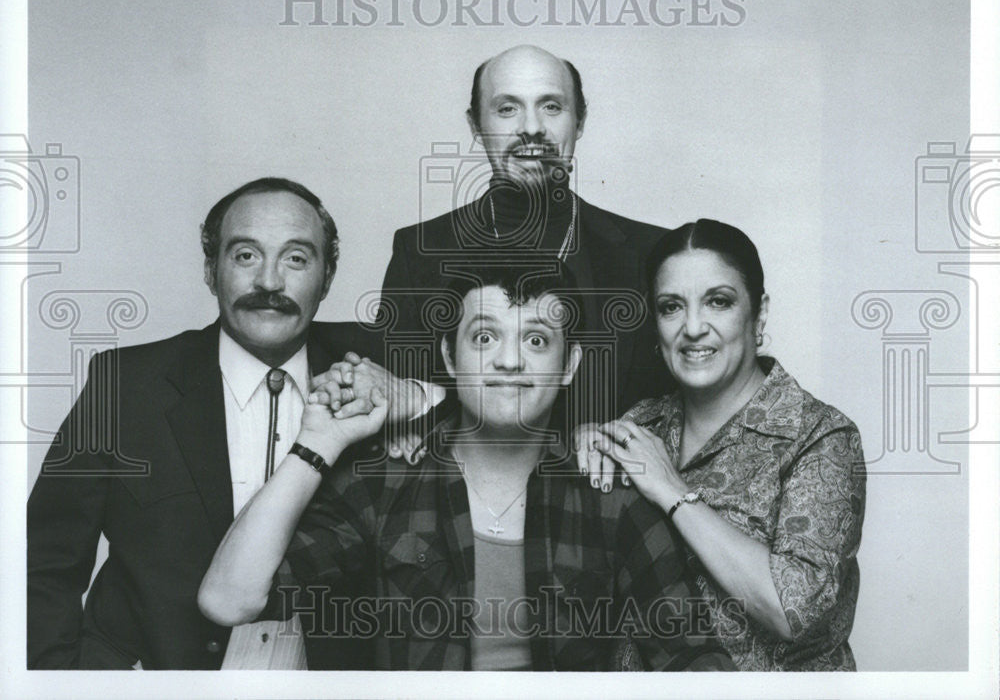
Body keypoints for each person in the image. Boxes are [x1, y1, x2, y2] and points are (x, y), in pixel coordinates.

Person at [198, 262, 735, 671]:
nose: (509, 360)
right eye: (485, 337)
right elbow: (229, 600)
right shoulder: (385, 481)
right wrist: (315, 446)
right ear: (451, 359)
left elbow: (693, 662)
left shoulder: (607, 491)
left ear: (569, 365)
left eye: (536, 339)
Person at [27, 178, 382, 669]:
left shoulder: (374, 369)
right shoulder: (125, 385)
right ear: (211, 271)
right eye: (245, 256)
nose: (270, 283)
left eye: (296, 258)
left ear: (328, 277)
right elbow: (42, 565)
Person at [364, 45, 672, 483]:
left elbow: (677, 412)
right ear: (476, 124)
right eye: (507, 108)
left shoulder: (650, 253)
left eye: (551, 106)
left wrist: (607, 437)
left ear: (579, 121)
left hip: (607, 526)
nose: (532, 128)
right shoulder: (419, 251)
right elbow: (401, 412)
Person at [585, 219, 866, 670]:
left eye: (718, 302)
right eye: (672, 306)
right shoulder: (638, 424)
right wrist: (583, 441)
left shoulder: (819, 435)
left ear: (759, 313)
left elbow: (793, 611)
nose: (693, 327)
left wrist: (673, 491)